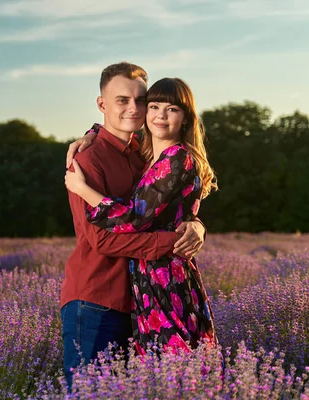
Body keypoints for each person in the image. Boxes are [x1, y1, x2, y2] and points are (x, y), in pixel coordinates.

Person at [60, 62, 207, 388]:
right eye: (121, 100)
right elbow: (102, 240)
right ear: (102, 105)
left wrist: (195, 225)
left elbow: (168, 206)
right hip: (96, 299)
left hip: (142, 299)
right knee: (90, 394)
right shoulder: (87, 160)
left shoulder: (144, 153)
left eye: (141, 101)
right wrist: (172, 242)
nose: (134, 108)